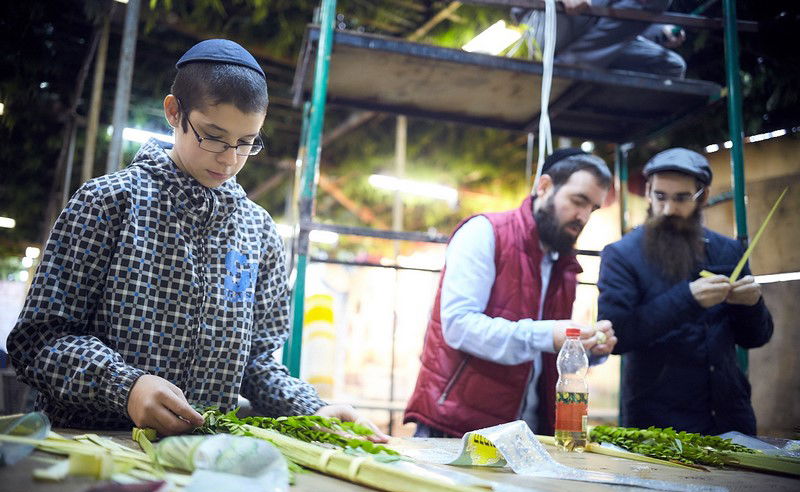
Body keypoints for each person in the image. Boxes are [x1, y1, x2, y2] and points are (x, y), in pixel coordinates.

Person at [7, 39, 387, 440]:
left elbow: (256, 362)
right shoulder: (108, 203)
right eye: (213, 136)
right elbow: (38, 341)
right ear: (174, 112)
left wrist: (315, 410)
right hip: (92, 447)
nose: (229, 158)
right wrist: (125, 387)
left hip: (200, 454)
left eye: (246, 142)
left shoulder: (258, 233)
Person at [404, 148, 618, 438]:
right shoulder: (484, 233)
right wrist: (548, 334)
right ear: (544, 187)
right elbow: (458, 326)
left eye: (592, 209)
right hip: (456, 429)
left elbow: (544, 355)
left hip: (527, 435)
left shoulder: (565, 267)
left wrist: (586, 347)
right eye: (578, 201)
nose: (582, 216)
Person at [597, 148, 773, 435]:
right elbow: (617, 335)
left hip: (730, 418)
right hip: (656, 425)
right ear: (648, 193)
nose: (668, 209)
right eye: (660, 196)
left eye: (681, 198)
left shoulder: (729, 250)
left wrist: (752, 305)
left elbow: (756, 337)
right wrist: (687, 299)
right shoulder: (621, 255)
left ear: (702, 197)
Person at [512, 0, 686, 78]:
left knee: (672, 66)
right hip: (549, 22)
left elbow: (619, 12)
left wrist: (657, 31)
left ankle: (575, 64)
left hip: (593, 36)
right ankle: (572, 62)